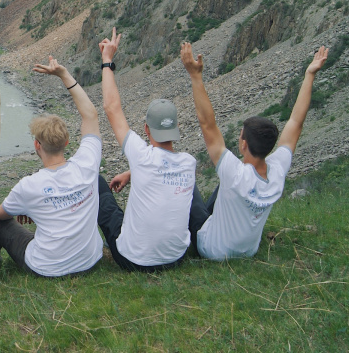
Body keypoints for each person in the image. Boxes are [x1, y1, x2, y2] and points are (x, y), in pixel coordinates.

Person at [184, 43, 329, 260]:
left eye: (241, 135)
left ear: (243, 145)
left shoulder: (234, 174)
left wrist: (195, 76)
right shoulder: (277, 171)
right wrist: (309, 75)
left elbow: (207, 124)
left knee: (186, 178)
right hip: (248, 251)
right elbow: (296, 122)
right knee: (223, 186)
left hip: (212, 249)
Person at [0, 55, 104, 277]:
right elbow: (91, 115)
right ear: (67, 142)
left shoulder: (29, 186)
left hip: (45, 268)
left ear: (36, 145)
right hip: (89, 260)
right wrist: (64, 74)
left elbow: (1, 216)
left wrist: (29, 207)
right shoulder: (87, 164)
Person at [98, 27, 196, 272]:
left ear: (146, 129)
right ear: (176, 128)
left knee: (99, 187)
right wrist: (132, 174)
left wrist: (107, 60)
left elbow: (112, 108)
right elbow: (161, 168)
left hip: (133, 261)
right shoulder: (188, 163)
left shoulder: (141, 155)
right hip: (176, 258)